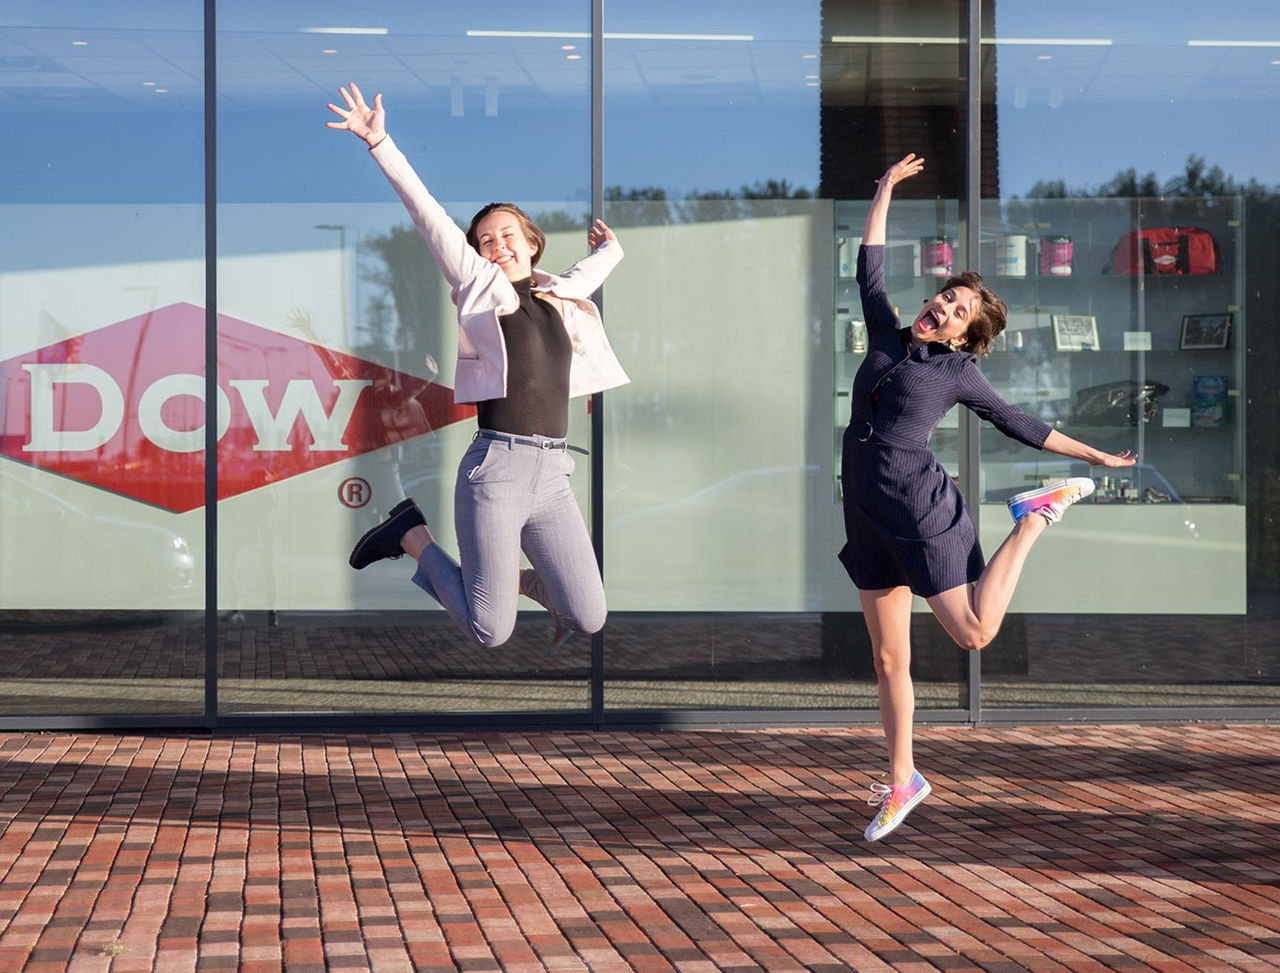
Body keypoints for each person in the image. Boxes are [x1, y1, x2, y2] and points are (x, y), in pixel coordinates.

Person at [841, 153, 1136, 842]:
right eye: (946, 294)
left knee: (973, 631)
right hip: (865, 512)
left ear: (967, 337)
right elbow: (870, 263)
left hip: (918, 508)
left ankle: (1035, 518)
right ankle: (903, 778)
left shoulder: (959, 374)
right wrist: (883, 187)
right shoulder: (887, 332)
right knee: (888, 659)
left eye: (959, 308)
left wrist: (1091, 454)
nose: (942, 304)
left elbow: (1019, 421)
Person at [328, 82, 629, 648]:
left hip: (553, 475)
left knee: (589, 615)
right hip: (497, 470)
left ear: (531, 242)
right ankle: (410, 534)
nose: (498, 246)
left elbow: (592, 271)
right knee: (490, 628)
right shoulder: (482, 288)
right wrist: (380, 142)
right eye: (486, 240)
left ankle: (494, 580)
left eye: (508, 235)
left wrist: (611, 250)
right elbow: (428, 215)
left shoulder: (555, 295)